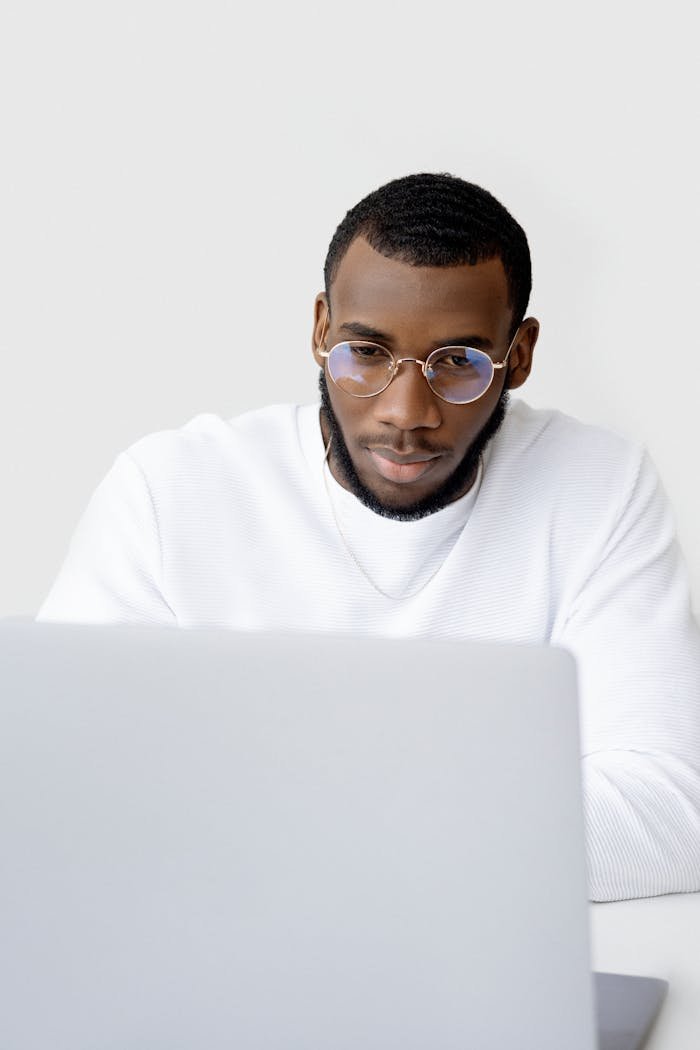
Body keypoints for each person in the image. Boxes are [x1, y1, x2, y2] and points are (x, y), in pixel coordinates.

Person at [38, 172, 700, 903]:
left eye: (459, 363)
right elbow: (62, 784)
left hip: (468, 967)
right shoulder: (170, 492)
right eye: (367, 353)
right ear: (321, 331)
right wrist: (454, 828)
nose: (404, 411)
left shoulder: (597, 489)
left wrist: (276, 826)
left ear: (519, 354)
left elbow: (672, 814)